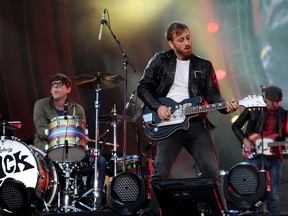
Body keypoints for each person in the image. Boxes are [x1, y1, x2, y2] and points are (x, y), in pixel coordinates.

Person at [137, 21, 239, 213]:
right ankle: (155, 213)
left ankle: (221, 212)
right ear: (171, 43)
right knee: (160, 172)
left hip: (196, 122)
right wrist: (158, 107)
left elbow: (213, 95)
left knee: (211, 171)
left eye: (188, 38)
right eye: (181, 40)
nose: (187, 43)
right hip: (167, 122)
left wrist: (226, 106)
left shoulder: (204, 65)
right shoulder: (160, 60)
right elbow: (143, 87)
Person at [33, 73, 106, 208]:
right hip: (46, 151)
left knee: (100, 161)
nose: (55, 88)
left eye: (59, 85)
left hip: (72, 151)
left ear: (68, 89)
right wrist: (62, 136)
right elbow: (41, 130)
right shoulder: (41, 105)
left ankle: (95, 201)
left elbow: (81, 133)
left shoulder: (77, 109)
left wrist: (82, 137)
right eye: (53, 85)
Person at [232, 86, 288, 214]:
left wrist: (284, 143)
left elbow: (284, 136)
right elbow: (235, 126)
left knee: (273, 194)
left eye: (277, 102)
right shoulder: (253, 109)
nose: (273, 104)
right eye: (270, 101)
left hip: (274, 157)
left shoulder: (284, 114)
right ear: (264, 98)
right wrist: (245, 141)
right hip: (255, 156)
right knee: (254, 192)